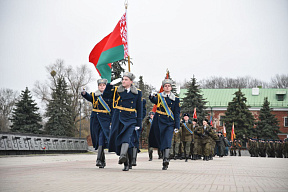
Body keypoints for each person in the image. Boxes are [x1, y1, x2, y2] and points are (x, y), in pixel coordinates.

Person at [105, 72, 143, 171]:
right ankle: (125, 162)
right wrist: (110, 85)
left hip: (130, 118)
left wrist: (139, 123)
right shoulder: (117, 90)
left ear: (131, 81)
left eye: (126, 80)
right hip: (118, 116)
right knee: (118, 139)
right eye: (123, 79)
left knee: (126, 138)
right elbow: (105, 96)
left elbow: (139, 108)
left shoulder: (137, 92)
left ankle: (122, 156)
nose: (123, 81)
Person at [149, 78, 180, 170]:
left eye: (169, 86)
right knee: (161, 141)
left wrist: (177, 126)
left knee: (167, 140)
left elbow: (177, 113)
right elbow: (153, 100)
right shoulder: (159, 96)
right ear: (163, 87)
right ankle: (164, 157)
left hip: (169, 122)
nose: (167, 87)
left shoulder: (176, 99)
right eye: (165, 86)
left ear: (171, 88)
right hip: (159, 121)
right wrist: (151, 95)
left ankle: (166, 159)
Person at [81, 79, 112, 168]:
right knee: (97, 138)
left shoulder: (109, 96)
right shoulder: (95, 95)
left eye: (103, 85)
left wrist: (111, 120)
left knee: (102, 137)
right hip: (95, 119)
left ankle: (98, 159)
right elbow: (89, 97)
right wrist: (84, 93)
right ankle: (102, 160)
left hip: (105, 119)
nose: (102, 87)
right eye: (100, 85)